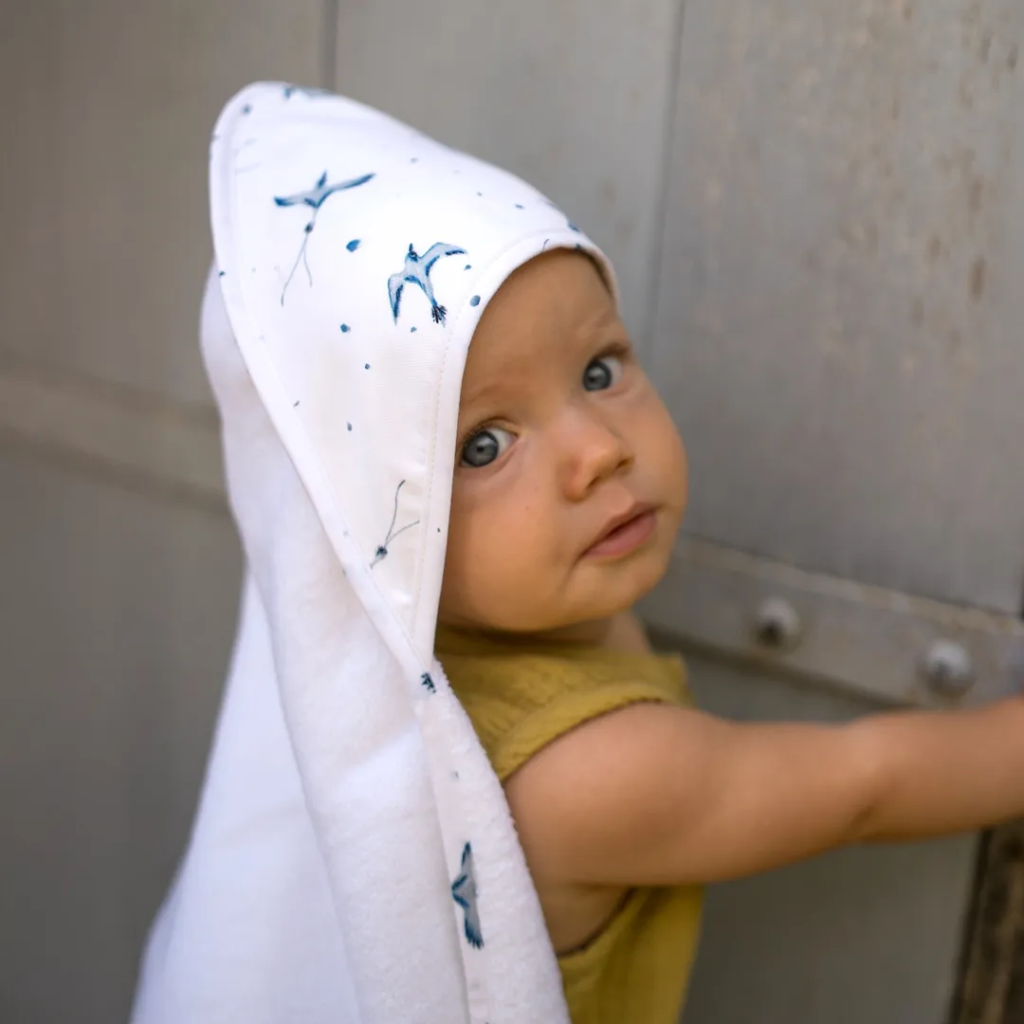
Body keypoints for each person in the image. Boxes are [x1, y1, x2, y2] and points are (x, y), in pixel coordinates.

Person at [132, 83, 1024, 1024]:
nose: (600, 450)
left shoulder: (444, 628)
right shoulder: (586, 775)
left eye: (599, 371)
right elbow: (866, 789)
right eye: (483, 444)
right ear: (353, 521)